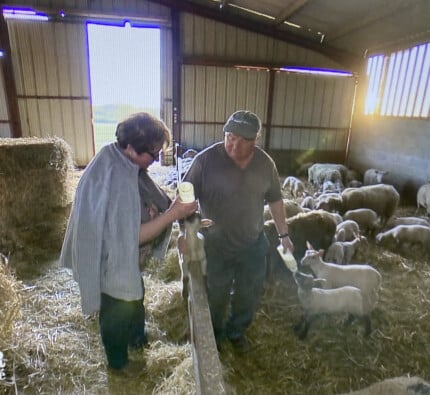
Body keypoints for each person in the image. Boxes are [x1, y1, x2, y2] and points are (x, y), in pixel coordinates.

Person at [60, 112, 198, 375]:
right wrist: (172, 214)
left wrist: (157, 210)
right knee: (117, 309)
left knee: (136, 297)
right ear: (132, 148)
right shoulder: (116, 176)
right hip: (110, 259)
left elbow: (142, 202)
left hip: (122, 255)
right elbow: (130, 236)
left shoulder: (119, 159)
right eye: (153, 153)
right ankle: (117, 362)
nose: (156, 160)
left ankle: (137, 337)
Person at [181, 110, 293, 353]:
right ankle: (215, 337)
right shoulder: (205, 161)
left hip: (252, 244)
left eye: (243, 140)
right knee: (216, 294)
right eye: (230, 136)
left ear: (255, 140)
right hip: (216, 244)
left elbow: (275, 199)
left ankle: (237, 331)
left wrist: (284, 235)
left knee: (249, 293)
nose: (234, 143)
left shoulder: (265, 164)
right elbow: (185, 197)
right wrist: (187, 230)